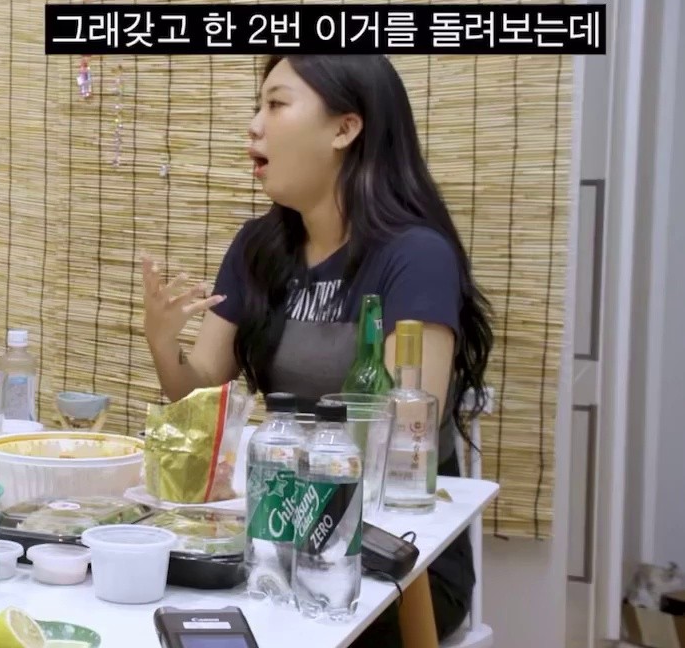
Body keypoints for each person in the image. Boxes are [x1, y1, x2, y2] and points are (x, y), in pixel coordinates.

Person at [141, 55, 492, 644]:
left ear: (344, 128)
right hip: (275, 535)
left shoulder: (415, 256)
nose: (254, 125)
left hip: (393, 557)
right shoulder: (258, 247)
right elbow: (202, 395)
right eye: (259, 106)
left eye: (276, 104)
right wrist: (161, 339)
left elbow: (402, 432)